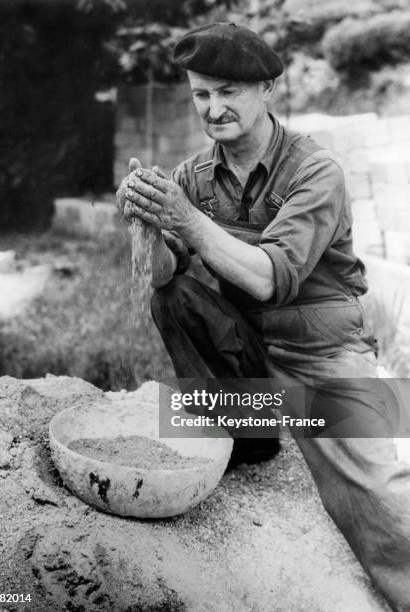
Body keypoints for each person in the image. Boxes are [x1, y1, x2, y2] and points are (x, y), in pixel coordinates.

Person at [116, 22, 410, 612]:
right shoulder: (193, 176)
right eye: (202, 94)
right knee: (173, 300)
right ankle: (249, 437)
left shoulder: (314, 171)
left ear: (268, 88)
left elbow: (270, 279)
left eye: (229, 92)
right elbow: (167, 281)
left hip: (323, 356)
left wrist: (189, 221)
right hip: (251, 352)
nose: (214, 109)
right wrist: (150, 225)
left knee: (379, 495)